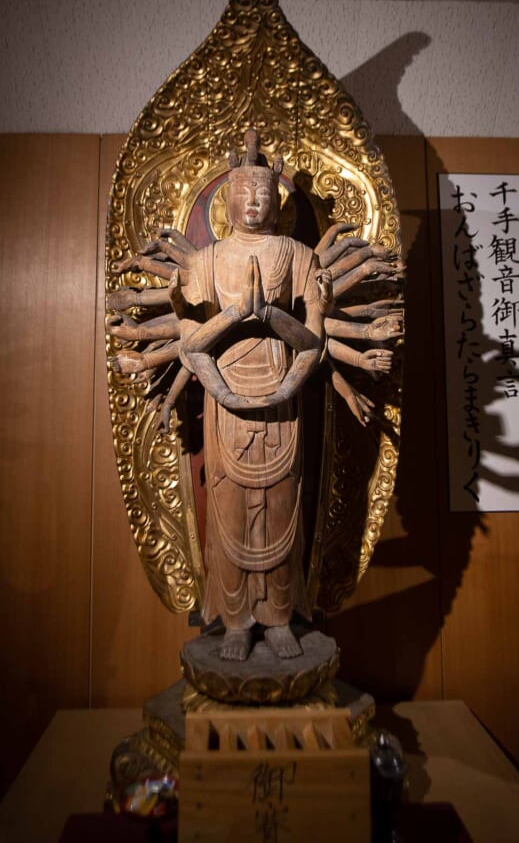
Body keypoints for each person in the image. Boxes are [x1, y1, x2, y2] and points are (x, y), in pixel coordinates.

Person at [177, 129, 326, 661]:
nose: (255, 201)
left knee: (283, 507)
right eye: (245, 191)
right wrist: (236, 318)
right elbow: (190, 343)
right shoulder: (209, 261)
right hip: (226, 405)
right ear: (228, 200)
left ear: (278, 201)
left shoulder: (297, 255)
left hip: (283, 400)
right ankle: (236, 620)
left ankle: (279, 616)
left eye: (265, 192)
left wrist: (271, 321)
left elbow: (313, 342)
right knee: (229, 509)